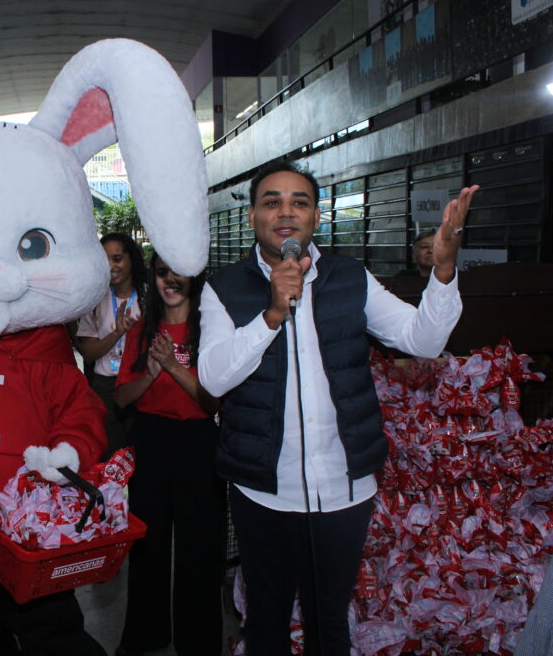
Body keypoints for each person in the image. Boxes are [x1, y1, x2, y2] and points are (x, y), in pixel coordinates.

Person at [197, 160, 475, 655]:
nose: (286, 212)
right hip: (263, 491)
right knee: (266, 619)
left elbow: (423, 340)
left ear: (317, 217)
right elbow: (214, 377)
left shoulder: (351, 278)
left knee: (329, 621)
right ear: (252, 218)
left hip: (345, 489)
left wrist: (444, 271)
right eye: (272, 201)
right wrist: (271, 314)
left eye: (299, 202)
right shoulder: (223, 289)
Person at [113, 254, 224, 656]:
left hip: (198, 443)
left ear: (195, 278)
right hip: (152, 441)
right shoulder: (140, 331)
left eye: (178, 273)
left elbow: (212, 403)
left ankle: (199, 643)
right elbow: (122, 397)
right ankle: (147, 632)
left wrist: (173, 368)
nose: (170, 280)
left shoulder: (211, 328)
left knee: (201, 549)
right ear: (153, 278)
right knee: (147, 546)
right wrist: (150, 373)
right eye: (162, 272)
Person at [76, 232, 146, 458]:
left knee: (143, 458)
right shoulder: (95, 298)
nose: (110, 265)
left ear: (131, 259)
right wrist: (116, 333)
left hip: (142, 386)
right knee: (108, 460)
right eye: (104, 259)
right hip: (105, 388)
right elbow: (87, 353)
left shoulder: (150, 296)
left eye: (117, 258)